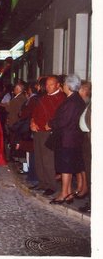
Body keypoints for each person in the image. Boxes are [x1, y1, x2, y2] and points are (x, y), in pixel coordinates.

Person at [47, 74, 86, 205]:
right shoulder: (76, 99)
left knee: (65, 168)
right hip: (71, 139)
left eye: (64, 84)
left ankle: (64, 193)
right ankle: (68, 193)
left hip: (67, 139)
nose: (63, 86)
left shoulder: (72, 101)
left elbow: (64, 120)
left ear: (68, 86)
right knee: (67, 167)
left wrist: (51, 124)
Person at [30, 75, 66, 196]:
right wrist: (32, 123)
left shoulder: (61, 98)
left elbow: (59, 116)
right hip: (38, 131)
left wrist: (50, 125)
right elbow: (35, 112)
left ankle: (51, 185)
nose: (48, 87)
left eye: (51, 85)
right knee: (39, 158)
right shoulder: (43, 97)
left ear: (57, 85)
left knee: (47, 159)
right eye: (47, 85)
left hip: (48, 132)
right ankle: (42, 182)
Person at [78, 80, 91, 213]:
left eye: (81, 90)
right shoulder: (86, 103)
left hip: (89, 140)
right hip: (85, 139)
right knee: (85, 168)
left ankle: (92, 203)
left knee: (90, 170)